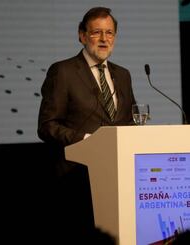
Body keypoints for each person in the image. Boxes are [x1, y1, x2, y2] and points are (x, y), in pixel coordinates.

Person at [36, 6, 136, 233]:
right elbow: (47, 126)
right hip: (77, 178)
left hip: (118, 176)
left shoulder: (123, 75)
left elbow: (129, 121)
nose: (103, 39)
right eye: (96, 32)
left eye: (109, 33)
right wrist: (87, 139)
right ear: (82, 36)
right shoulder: (63, 71)